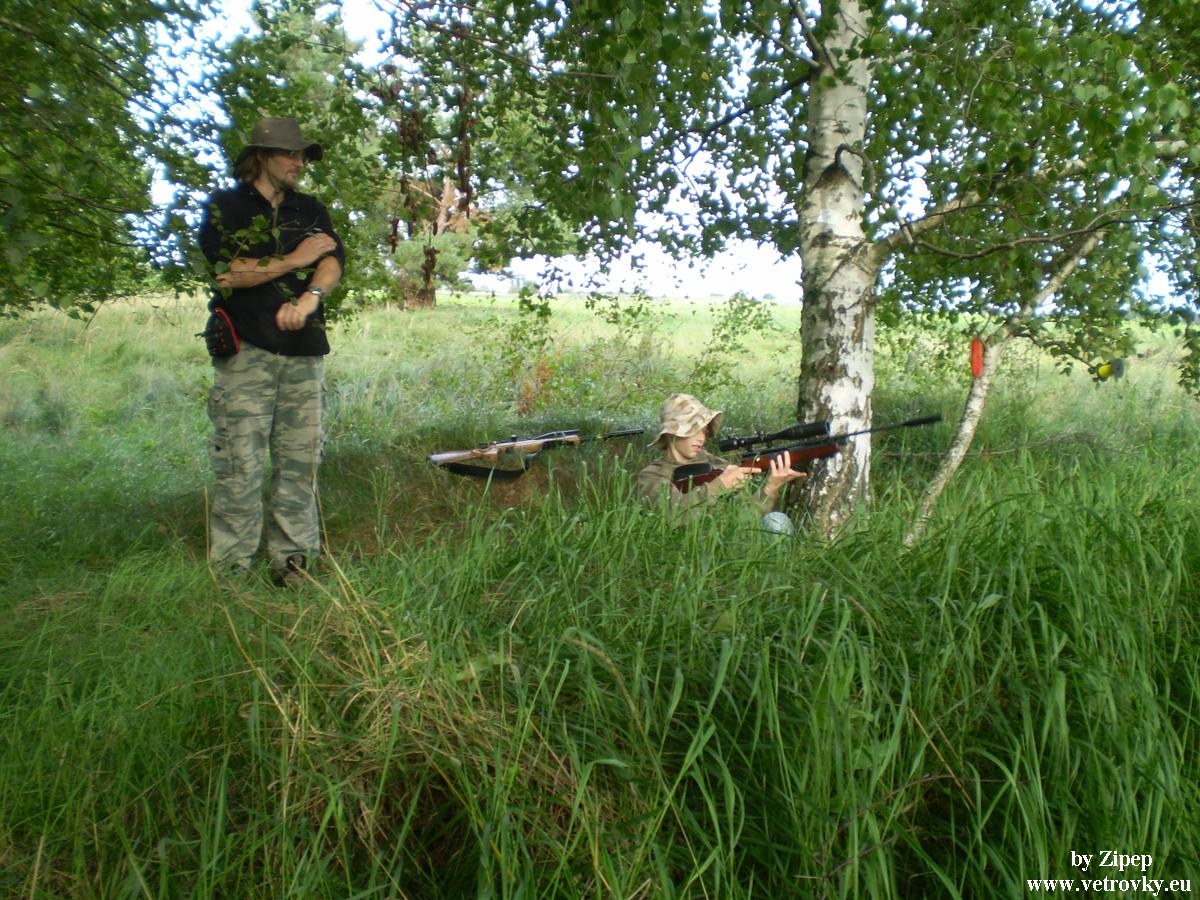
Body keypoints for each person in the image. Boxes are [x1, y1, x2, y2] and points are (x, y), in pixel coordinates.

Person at [198, 116, 345, 586]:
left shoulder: (311, 209)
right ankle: (232, 572)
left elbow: (332, 261)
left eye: (302, 156)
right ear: (261, 156)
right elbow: (227, 273)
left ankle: (294, 563)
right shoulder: (225, 208)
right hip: (246, 353)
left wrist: (310, 297)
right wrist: (294, 260)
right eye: (290, 154)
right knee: (238, 463)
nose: (298, 163)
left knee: (300, 463)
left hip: (304, 353)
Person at [637, 393, 805, 531]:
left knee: (777, 520)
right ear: (671, 433)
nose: (701, 438)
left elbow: (744, 520)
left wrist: (770, 489)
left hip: (729, 548)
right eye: (693, 430)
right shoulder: (653, 475)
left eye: (704, 431)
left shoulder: (715, 464)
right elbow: (669, 516)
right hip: (684, 556)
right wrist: (719, 485)